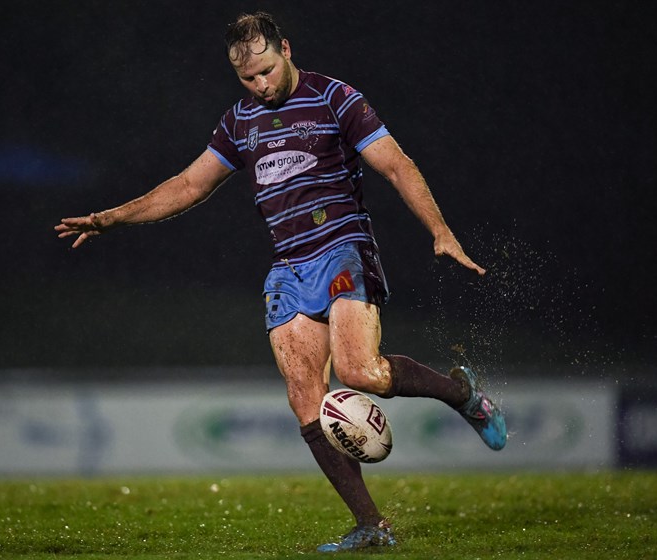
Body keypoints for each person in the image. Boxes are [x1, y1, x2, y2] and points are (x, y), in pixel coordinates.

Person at [55, 12, 507, 553]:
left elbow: (396, 165)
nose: (261, 85)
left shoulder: (336, 98)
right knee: (305, 401)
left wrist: (440, 232)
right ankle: (372, 526)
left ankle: (462, 393)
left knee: (360, 372)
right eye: (248, 79)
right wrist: (111, 217)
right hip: (288, 267)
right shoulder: (238, 122)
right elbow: (188, 185)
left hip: (342, 247)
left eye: (267, 71)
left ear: (286, 49)